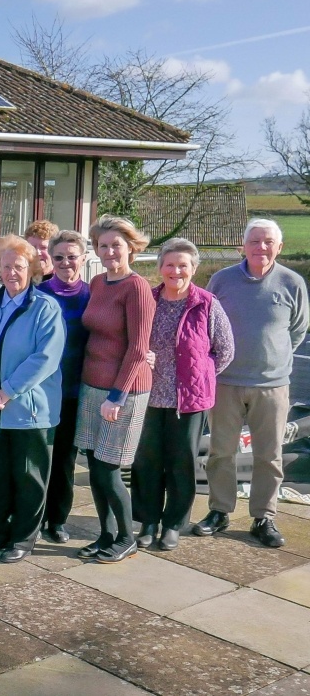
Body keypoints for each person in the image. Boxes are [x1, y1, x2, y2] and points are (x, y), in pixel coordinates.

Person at [194, 218, 308, 547]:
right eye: (255, 241)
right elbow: (207, 325)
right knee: (220, 452)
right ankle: (219, 511)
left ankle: (264, 516)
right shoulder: (221, 281)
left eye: (268, 242)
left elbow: (298, 331)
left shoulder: (292, 283)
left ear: (279, 247)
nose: (261, 248)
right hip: (226, 382)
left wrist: (273, 357)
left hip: (272, 386)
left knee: (269, 455)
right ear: (242, 246)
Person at [0, 235, 65, 562]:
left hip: (27, 411)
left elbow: (45, 358)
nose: (11, 273)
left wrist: (6, 390)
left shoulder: (45, 308)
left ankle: (23, 539)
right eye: (5, 266)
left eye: (18, 266)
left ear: (31, 268)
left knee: (28, 477)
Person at [133, 238, 234, 551]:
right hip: (149, 397)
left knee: (181, 464)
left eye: (183, 265)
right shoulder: (147, 301)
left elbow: (226, 349)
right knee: (146, 463)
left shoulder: (206, 303)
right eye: (170, 264)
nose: (176, 271)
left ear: (194, 269)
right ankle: (148, 521)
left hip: (188, 402)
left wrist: (201, 375)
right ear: (160, 267)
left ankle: (174, 524)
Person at [75, 215, 155, 564]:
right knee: (94, 464)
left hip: (122, 393)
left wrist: (116, 396)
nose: (109, 251)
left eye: (116, 245)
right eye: (103, 245)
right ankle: (106, 534)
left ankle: (127, 537)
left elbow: (139, 349)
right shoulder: (96, 282)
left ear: (131, 248)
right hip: (92, 387)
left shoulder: (136, 287)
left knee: (109, 468)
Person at [36, 230, 91, 543]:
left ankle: (57, 520)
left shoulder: (93, 296)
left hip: (74, 391)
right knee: (37, 458)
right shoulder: (39, 294)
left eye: (72, 256)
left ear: (83, 258)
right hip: (42, 392)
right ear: (50, 259)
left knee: (65, 460)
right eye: (59, 257)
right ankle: (34, 515)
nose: (66, 263)